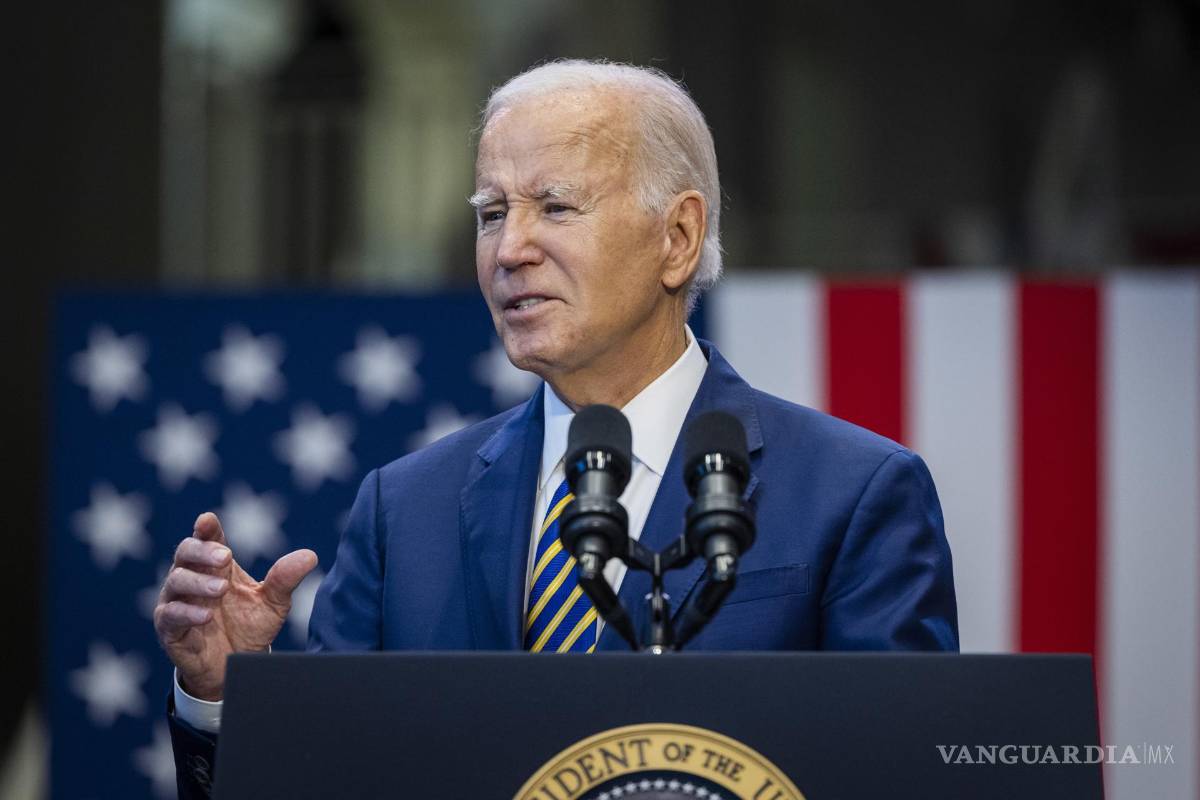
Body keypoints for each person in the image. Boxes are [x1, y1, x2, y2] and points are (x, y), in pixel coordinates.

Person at [156, 59, 958, 797]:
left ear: (677, 239)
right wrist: (228, 696)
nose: (510, 249)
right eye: (491, 212)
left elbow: (904, 775)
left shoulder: (855, 495)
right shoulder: (403, 510)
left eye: (555, 207)